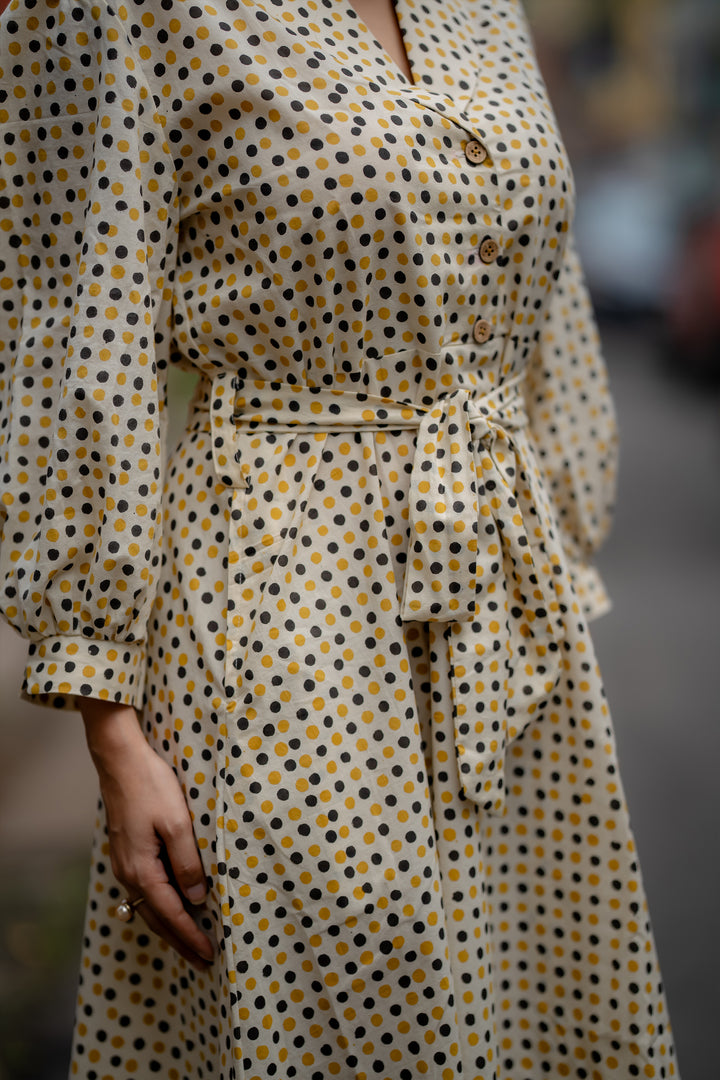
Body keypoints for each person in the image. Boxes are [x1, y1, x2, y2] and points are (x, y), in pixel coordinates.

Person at [0, 0, 680, 1077]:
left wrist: (561, 527)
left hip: (509, 630)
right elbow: (75, 326)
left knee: (526, 1015)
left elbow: (542, 293)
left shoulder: (481, 9)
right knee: (342, 1014)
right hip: (284, 617)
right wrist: (111, 728)